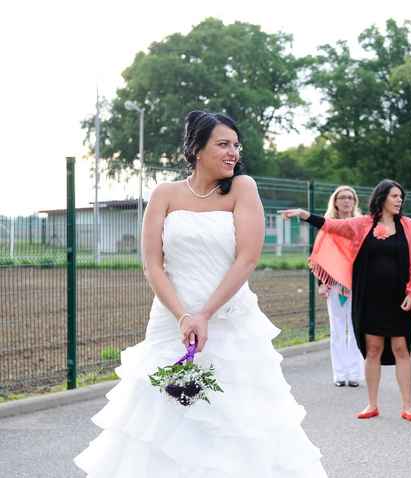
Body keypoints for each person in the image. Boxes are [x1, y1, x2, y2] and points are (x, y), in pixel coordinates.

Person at [74, 111, 327, 477]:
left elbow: (247, 258)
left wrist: (205, 314)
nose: (233, 153)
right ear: (196, 149)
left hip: (228, 320)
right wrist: (183, 316)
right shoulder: (164, 195)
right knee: (164, 414)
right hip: (170, 321)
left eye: (236, 146)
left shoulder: (243, 189)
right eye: (223, 144)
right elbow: (153, 266)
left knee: (233, 419)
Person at [281, 179, 411, 422]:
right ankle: (372, 404)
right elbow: (332, 225)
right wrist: (305, 215)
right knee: (373, 349)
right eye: (394, 196)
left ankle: (407, 406)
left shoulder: (409, 226)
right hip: (368, 298)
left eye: (401, 196)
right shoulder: (363, 223)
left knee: (401, 348)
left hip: (398, 299)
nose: (399, 200)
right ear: (381, 198)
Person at [319, 186, 365, 388]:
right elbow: (320, 255)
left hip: (357, 284)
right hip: (335, 285)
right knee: (337, 329)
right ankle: (339, 374)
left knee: (356, 328)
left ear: (355, 202)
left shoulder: (361, 226)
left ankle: (354, 373)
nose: (346, 201)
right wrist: (322, 283)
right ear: (335, 201)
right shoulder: (328, 226)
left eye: (350, 197)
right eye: (342, 197)